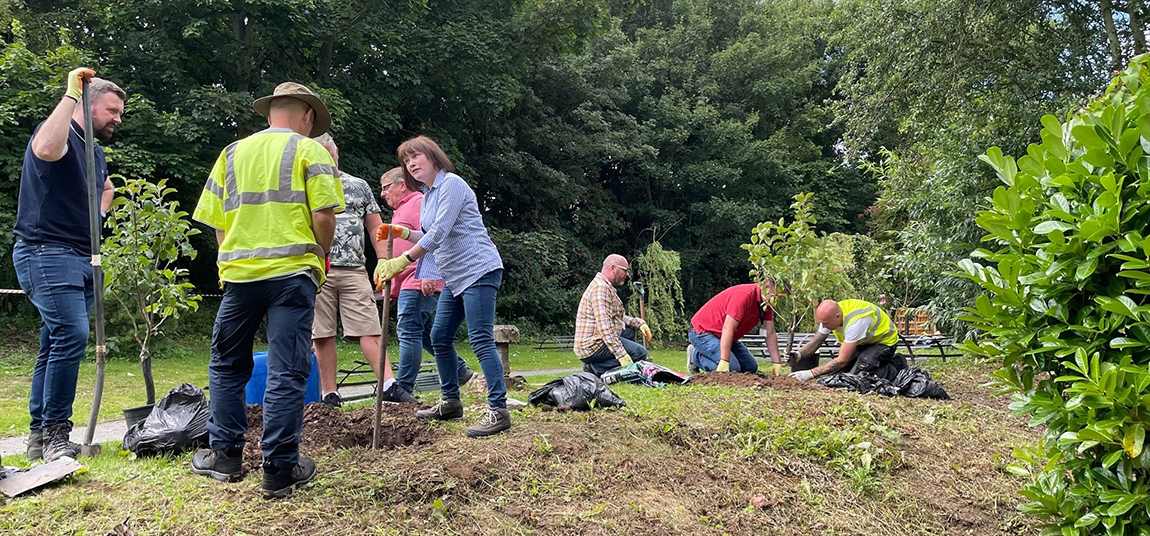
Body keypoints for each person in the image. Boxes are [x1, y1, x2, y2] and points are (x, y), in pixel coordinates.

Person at [190, 82, 343, 499]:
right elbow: (325, 216)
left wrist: (234, 261)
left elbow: (218, 224)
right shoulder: (310, 151)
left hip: (240, 278)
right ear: (308, 116)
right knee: (287, 368)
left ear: (270, 112)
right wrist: (319, 255)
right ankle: (278, 468)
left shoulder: (232, 153)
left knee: (226, 365)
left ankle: (225, 457)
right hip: (292, 275)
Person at [13, 67, 123, 462]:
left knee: (53, 342)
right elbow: (44, 149)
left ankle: (40, 438)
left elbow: (106, 187)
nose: (117, 119)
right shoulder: (60, 134)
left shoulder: (94, 151)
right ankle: (58, 433)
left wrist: (99, 217)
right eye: (111, 110)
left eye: (120, 113)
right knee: (72, 334)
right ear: (88, 105)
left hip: (81, 256)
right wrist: (72, 94)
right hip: (46, 251)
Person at [374, 135, 509, 438]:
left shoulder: (452, 185)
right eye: (406, 161)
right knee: (439, 336)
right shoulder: (429, 194)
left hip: (479, 269)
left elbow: (438, 233)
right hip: (455, 276)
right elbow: (427, 236)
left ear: (433, 156)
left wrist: (401, 261)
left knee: (480, 339)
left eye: (416, 157)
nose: (411, 164)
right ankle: (450, 401)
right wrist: (402, 232)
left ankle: (498, 410)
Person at [309, 136, 416, 407]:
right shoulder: (302, 184)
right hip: (316, 268)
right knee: (321, 332)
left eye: (329, 155)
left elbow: (374, 227)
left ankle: (389, 385)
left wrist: (383, 260)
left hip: (354, 269)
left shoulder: (358, 186)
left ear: (337, 154)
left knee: (370, 326)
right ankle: (329, 394)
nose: (326, 161)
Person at [378, 167, 476, 395]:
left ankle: (403, 386)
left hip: (418, 278)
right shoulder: (403, 208)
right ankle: (461, 371)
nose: (383, 194)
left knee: (408, 330)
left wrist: (430, 273)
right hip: (409, 280)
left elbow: (432, 235)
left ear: (402, 185)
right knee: (425, 334)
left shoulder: (417, 203)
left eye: (385, 187)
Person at [788, 299, 906, 382]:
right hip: (863, 343)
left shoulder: (857, 321)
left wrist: (810, 373)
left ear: (838, 316)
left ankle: (895, 366)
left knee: (854, 378)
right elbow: (817, 341)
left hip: (884, 343)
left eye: (826, 323)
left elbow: (842, 360)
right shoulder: (830, 316)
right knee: (835, 376)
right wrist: (799, 354)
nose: (823, 327)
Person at [574, 254, 653, 375]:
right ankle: (596, 368)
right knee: (640, 353)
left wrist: (639, 323)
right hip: (591, 346)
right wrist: (621, 355)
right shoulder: (600, 289)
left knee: (629, 331)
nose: (627, 274)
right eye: (625, 270)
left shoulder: (606, 286)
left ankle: (601, 365)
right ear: (613, 268)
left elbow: (618, 317)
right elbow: (605, 327)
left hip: (598, 340)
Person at [687, 282, 783, 375]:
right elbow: (728, 327)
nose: (776, 301)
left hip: (724, 336)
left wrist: (777, 363)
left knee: (750, 368)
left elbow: (769, 333)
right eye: (776, 296)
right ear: (767, 287)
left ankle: (710, 355)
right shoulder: (743, 295)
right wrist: (724, 360)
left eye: (779, 298)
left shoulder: (766, 304)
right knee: (733, 369)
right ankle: (695, 356)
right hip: (702, 332)